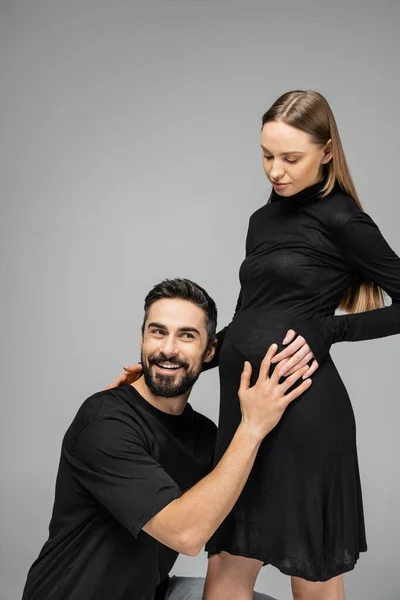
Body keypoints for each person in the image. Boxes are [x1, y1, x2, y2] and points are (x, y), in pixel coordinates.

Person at [112, 91, 400, 600]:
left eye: (291, 158)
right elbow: (251, 317)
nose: (276, 170)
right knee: (228, 560)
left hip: (303, 411)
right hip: (244, 414)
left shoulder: (342, 219)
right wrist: (184, 364)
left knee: (310, 567)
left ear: (327, 151)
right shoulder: (261, 222)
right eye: (267, 155)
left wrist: (331, 329)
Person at [22, 278, 312, 600]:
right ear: (143, 339)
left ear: (210, 350)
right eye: (158, 332)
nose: (168, 349)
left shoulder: (203, 434)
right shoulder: (104, 423)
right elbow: (187, 535)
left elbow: (242, 504)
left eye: (187, 336)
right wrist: (253, 427)